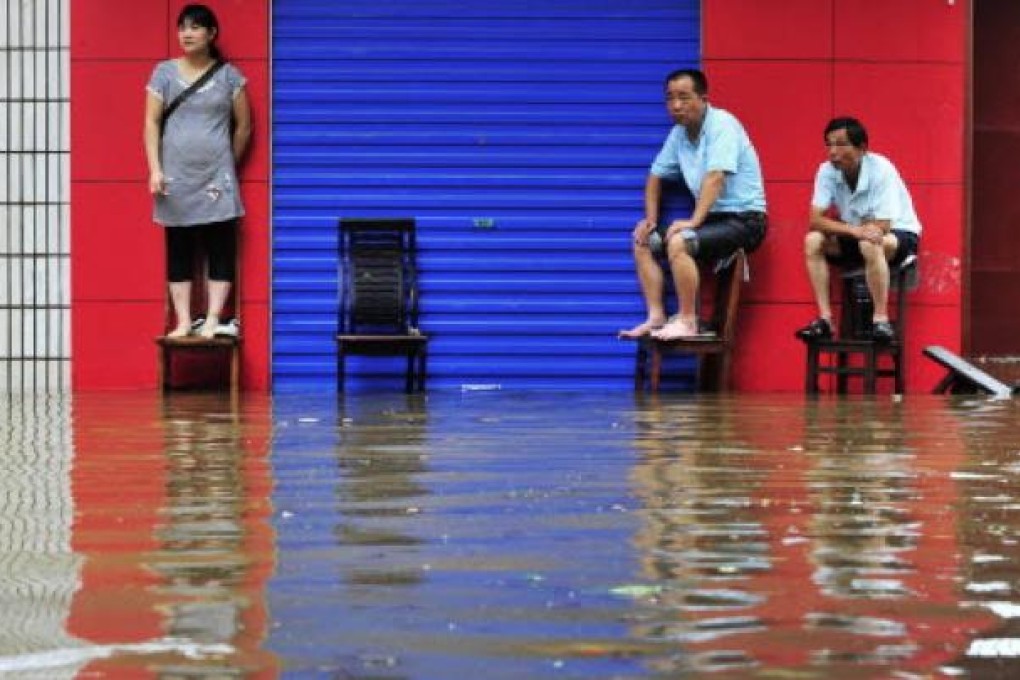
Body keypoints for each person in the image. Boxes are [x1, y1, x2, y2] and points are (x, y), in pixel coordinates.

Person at [619, 68, 767, 340]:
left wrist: (694, 221)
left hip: (745, 221)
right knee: (643, 241)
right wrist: (651, 220)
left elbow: (715, 177)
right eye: (670, 98)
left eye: (684, 97)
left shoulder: (722, 124)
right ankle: (656, 316)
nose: (676, 105)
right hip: (712, 220)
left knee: (680, 241)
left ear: (703, 98)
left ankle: (688, 321)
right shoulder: (679, 134)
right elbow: (655, 176)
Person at [143, 4, 251, 339]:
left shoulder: (229, 76)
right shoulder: (163, 72)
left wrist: (226, 164)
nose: (186, 34)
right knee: (179, 246)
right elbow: (151, 122)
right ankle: (184, 321)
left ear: (211, 34)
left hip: (216, 178)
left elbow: (244, 126)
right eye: (182, 28)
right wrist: (155, 169)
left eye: (195, 27)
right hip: (174, 176)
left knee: (221, 245)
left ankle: (215, 317)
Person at [795, 117, 921, 343]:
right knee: (812, 240)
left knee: (870, 243)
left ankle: (880, 321)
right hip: (857, 234)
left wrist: (858, 233)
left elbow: (883, 224)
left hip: (899, 235)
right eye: (829, 144)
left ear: (862, 148)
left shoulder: (881, 168)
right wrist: (854, 231)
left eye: (841, 144)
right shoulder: (826, 171)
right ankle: (824, 320)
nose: (833, 152)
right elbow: (815, 220)